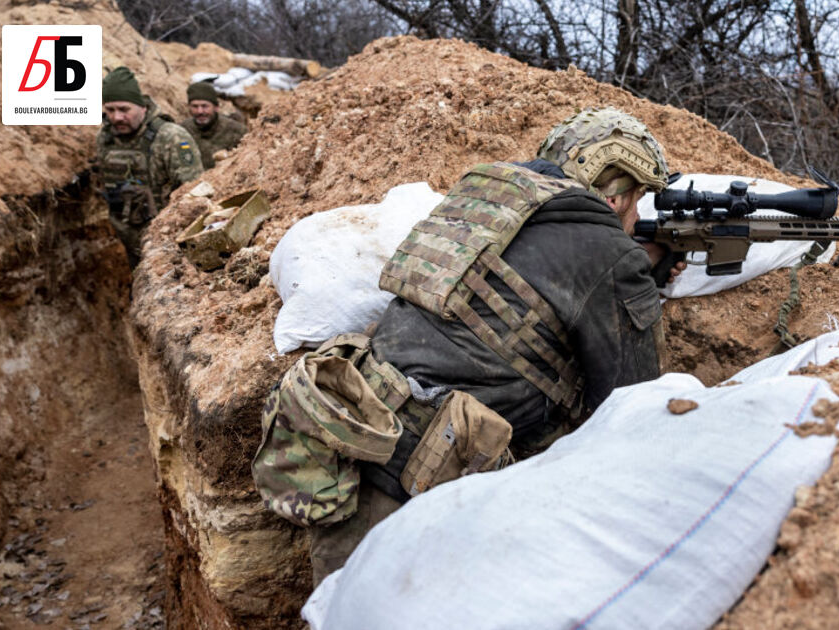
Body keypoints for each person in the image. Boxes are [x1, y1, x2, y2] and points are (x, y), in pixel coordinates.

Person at [253, 107, 683, 584]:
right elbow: (629, 406)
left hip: (357, 444)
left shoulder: (482, 197)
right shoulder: (608, 250)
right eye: (638, 199)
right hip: (434, 487)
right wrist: (633, 280)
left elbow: (516, 294)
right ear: (614, 192)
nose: (637, 215)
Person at [96, 67, 203, 267]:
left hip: (166, 244)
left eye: (124, 109)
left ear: (142, 107)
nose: (116, 117)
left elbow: (195, 195)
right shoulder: (105, 138)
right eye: (110, 110)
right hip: (127, 237)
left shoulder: (171, 137)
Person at [180, 79, 247, 169]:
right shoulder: (182, 131)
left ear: (216, 107)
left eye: (205, 106)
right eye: (195, 106)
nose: (200, 111)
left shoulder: (237, 131)